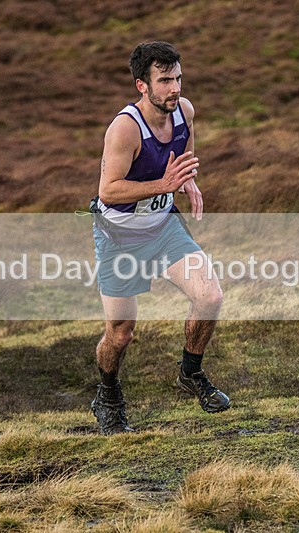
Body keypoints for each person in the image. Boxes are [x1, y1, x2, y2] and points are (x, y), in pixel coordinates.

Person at [90, 41, 231, 435]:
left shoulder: (184, 111)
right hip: (119, 237)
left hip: (164, 228)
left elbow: (183, 155)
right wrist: (162, 185)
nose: (175, 88)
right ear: (142, 85)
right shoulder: (124, 129)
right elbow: (108, 191)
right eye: (165, 80)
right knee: (121, 334)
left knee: (210, 296)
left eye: (179, 78)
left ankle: (191, 373)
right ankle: (108, 396)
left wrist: (186, 183)